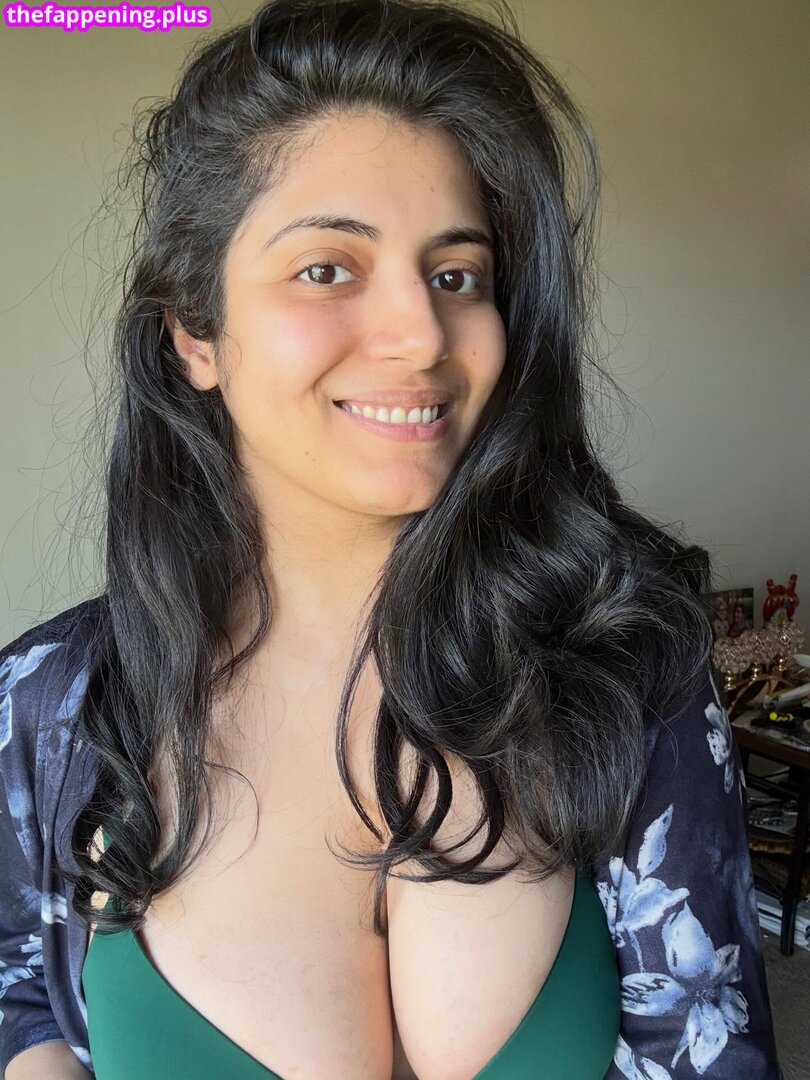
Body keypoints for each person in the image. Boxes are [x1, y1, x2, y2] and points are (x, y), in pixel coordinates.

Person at [0, 0, 782, 1077]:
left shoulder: (627, 658)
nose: (422, 335)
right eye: (327, 268)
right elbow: (15, 977)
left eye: (457, 275)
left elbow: (714, 1044)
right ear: (195, 333)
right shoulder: (49, 706)